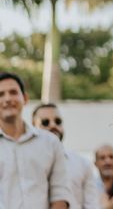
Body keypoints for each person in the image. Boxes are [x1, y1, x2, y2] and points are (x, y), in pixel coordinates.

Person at [0, 71, 71, 209]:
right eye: (1, 94)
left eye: (13, 92)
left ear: (25, 98)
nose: (7, 99)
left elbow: (60, 194)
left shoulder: (51, 143)